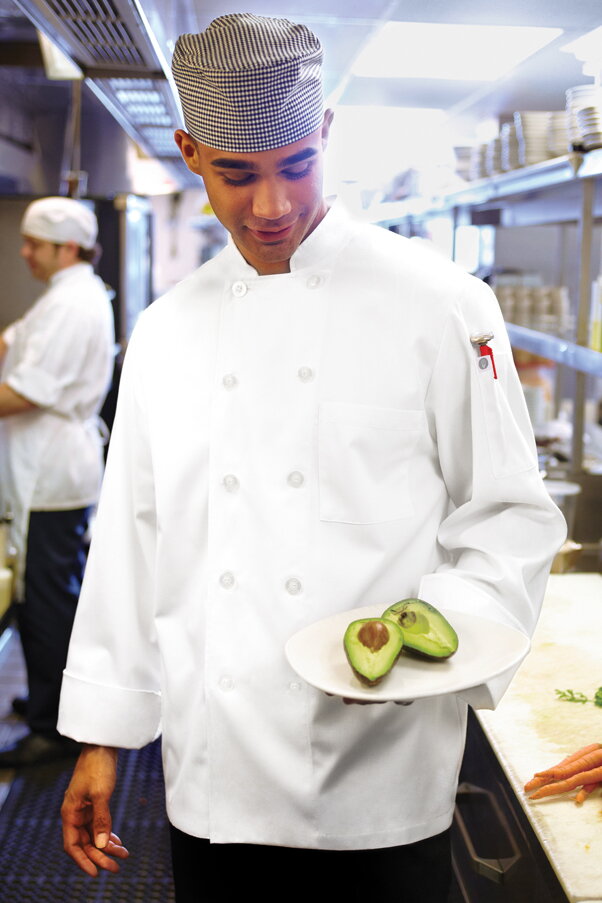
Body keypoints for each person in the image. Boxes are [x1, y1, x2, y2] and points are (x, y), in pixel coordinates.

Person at [57, 14, 566, 903]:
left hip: (384, 776)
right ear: (189, 152)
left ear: (326, 131)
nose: (272, 205)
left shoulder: (441, 303)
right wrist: (102, 732)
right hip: (214, 780)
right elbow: (133, 543)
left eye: (296, 164)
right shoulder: (166, 332)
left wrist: (428, 642)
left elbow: (508, 515)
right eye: (237, 173)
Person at [0, 197, 115, 767]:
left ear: (67, 248)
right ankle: (52, 698)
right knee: (46, 593)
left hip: (50, 472)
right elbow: (11, 342)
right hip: (47, 469)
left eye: (34, 245)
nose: (25, 253)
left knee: (45, 599)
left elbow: (24, 392)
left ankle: (53, 728)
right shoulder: (64, 297)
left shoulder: (73, 303)